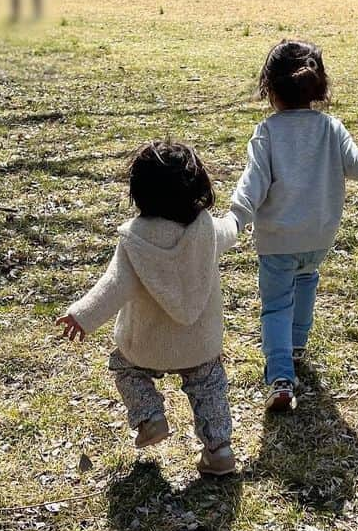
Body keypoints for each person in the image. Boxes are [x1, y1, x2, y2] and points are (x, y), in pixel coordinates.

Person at [230, 38, 358, 413]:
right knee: (306, 279)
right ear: (318, 88)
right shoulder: (331, 129)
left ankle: (281, 375)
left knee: (275, 305)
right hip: (319, 237)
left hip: (277, 241)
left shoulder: (268, 133)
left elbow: (252, 182)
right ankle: (297, 343)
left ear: (269, 89)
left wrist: (236, 218)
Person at [56, 141, 240, 476]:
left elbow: (112, 287)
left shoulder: (135, 240)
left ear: (139, 192)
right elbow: (232, 228)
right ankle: (219, 449)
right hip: (199, 344)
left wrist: (81, 315)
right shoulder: (208, 230)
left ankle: (150, 417)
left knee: (124, 368)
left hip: (146, 346)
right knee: (209, 385)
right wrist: (242, 213)